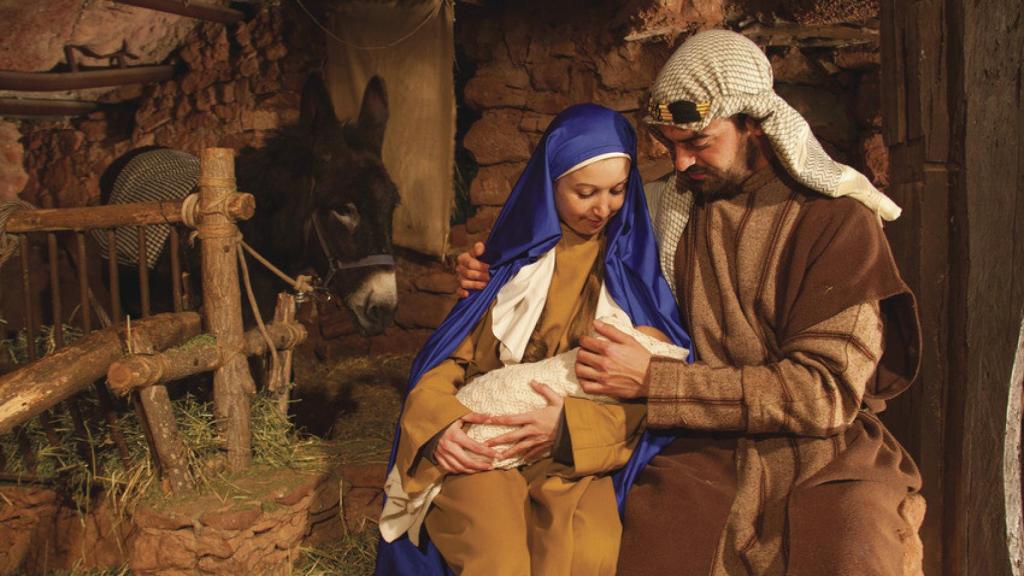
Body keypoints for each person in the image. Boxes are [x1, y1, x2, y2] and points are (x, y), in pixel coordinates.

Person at [455, 30, 925, 576]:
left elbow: (824, 396)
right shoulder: (667, 209)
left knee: (855, 547)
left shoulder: (838, 224)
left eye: (697, 142)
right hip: (698, 448)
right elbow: (559, 251)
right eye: (668, 145)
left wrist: (655, 381)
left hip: (828, 453)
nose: (679, 163)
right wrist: (489, 270)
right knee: (648, 545)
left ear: (753, 122)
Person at [375, 103, 692, 576]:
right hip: (488, 443)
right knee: (498, 561)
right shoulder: (507, 263)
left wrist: (566, 429)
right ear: (551, 184)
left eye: (617, 191)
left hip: (573, 453)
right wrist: (439, 427)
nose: (602, 207)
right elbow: (448, 363)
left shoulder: (633, 278)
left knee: (589, 554)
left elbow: (653, 393)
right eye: (585, 192)